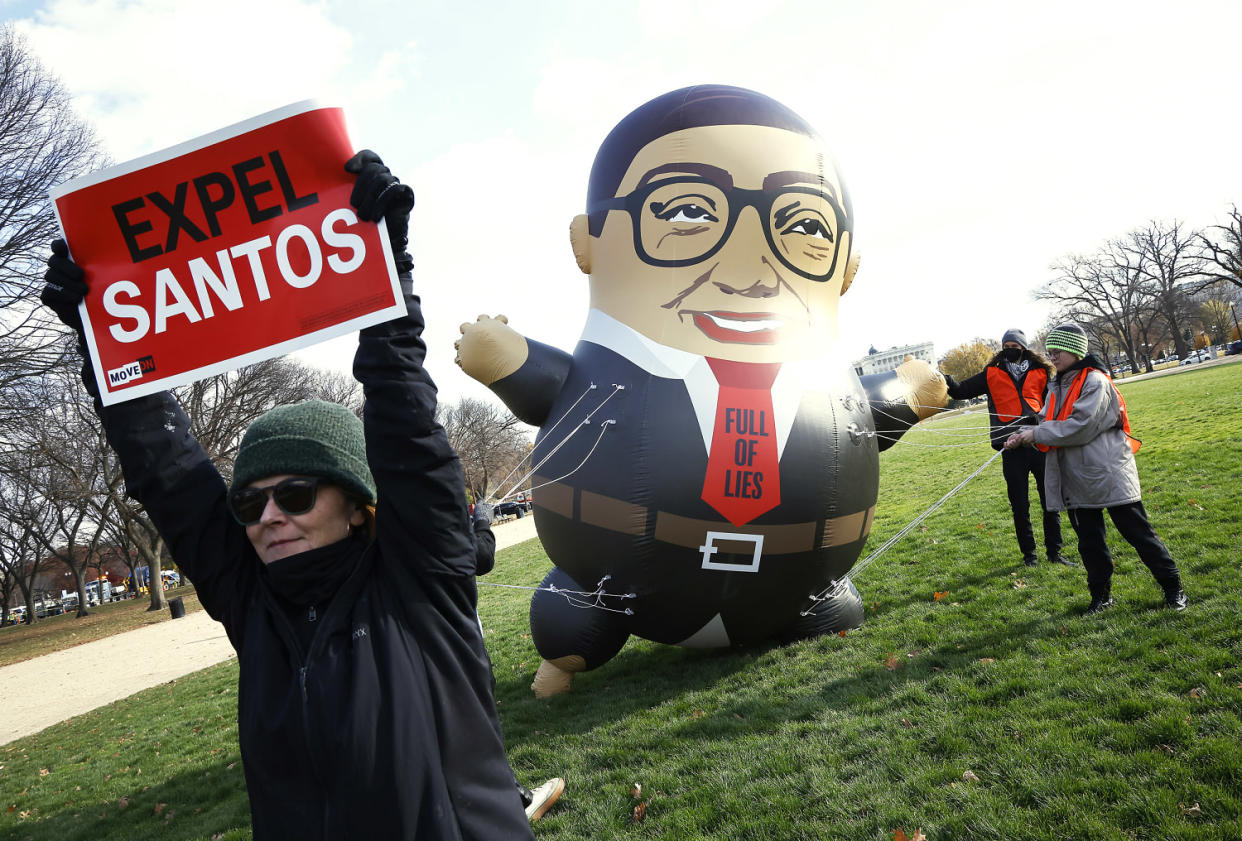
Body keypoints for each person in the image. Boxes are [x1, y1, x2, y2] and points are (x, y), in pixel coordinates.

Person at [41, 151, 537, 839]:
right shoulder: (254, 603)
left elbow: (404, 429)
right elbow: (168, 471)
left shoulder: (421, 578)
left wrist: (387, 279)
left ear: (358, 501)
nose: (268, 516)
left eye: (296, 494)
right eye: (250, 503)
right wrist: (104, 340)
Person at [1004, 324, 1187, 615]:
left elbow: (1080, 427)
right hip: (1075, 477)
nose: (1052, 357)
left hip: (1108, 472)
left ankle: (1173, 588)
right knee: (1090, 544)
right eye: (1049, 351)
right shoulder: (1057, 384)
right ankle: (1101, 597)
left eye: (1057, 351)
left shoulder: (1095, 382)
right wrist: (1024, 432)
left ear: (1076, 351)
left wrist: (1035, 435)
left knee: (1139, 535)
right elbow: (1048, 419)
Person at [469, 501, 565, 822]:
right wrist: (482, 525)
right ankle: (515, 802)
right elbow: (480, 556)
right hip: (453, 644)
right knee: (477, 719)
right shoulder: (422, 516)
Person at [942, 329, 1069, 567]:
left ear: (1023, 346)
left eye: (1014, 345)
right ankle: (1029, 556)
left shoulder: (1041, 371)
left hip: (1039, 442)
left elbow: (1054, 403)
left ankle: (1055, 552)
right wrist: (944, 380)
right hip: (1010, 448)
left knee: (1049, 501)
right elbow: (961, 390)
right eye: (1006, 345)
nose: (1010, 348)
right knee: (1019, 505)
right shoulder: (991, 373)